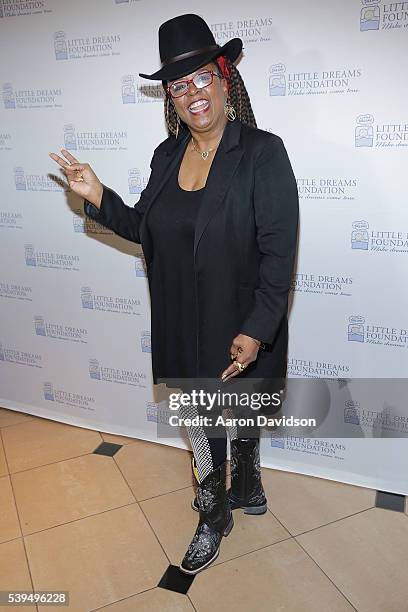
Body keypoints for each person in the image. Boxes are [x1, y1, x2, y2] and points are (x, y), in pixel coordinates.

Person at [49, 13, 299, 575]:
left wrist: (258, 328)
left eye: (201, 78)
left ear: (224, 77)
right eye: (177, 85)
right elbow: (145, 228)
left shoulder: (263, 152)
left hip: (240, 320)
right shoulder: (167, 156)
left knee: (242, 405)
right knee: (200, 421)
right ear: (170, 97)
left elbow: (280, 255)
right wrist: (98, 195)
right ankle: (215, 513)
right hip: (181, 320)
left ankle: (249, 481)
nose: (192, 94)